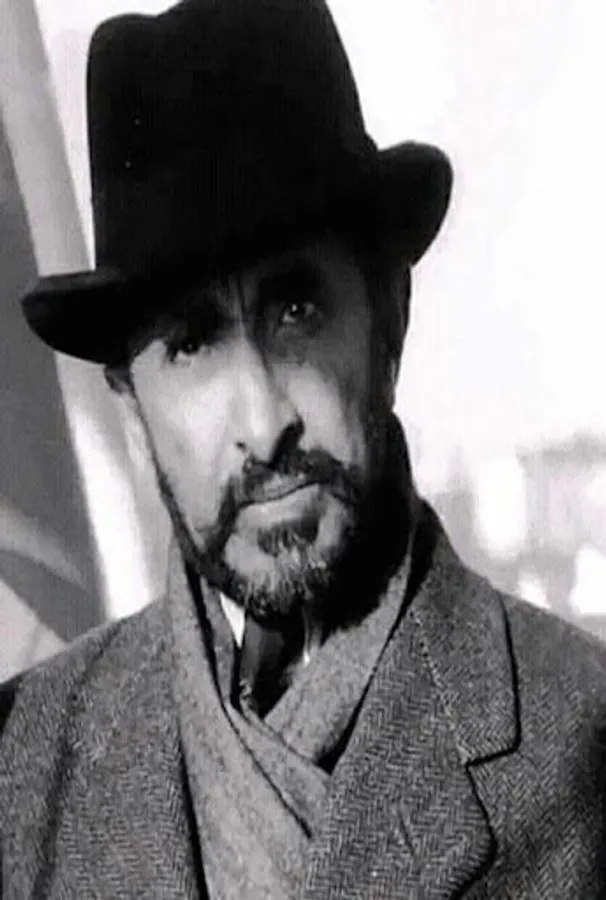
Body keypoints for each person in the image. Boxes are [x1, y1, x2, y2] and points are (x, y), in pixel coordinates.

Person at [1, 0, 605, 896]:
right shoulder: (21, 775)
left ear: (390, 320)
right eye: (192, 343)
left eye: (297, 310)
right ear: (129, 401)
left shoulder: (586, 740)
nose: (262, 417)